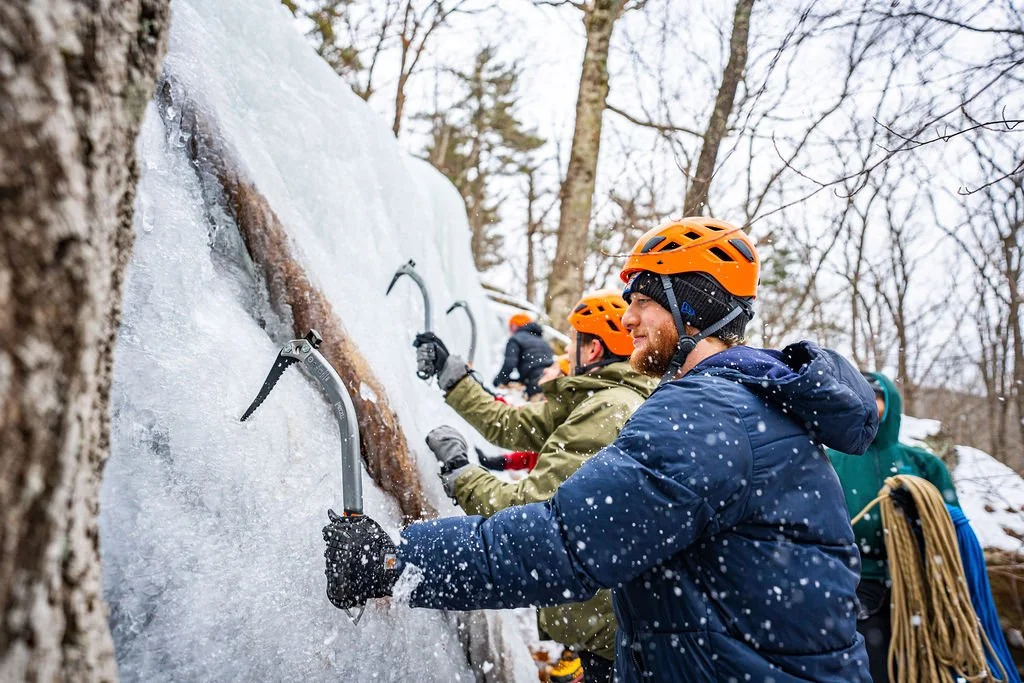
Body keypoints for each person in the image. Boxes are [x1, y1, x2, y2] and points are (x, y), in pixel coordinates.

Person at [324, 217, 878, 682]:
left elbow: (563, 542)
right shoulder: (751, 406)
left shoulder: (707, 414)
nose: (627, 318)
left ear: (692, 311)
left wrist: (397, 560)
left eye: (642, 302)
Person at [413, 290, 657, 681]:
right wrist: (454, 377)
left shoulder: (610, 408)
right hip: (596, 620)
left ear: (592, 350)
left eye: (575, 340)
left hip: (602, 634)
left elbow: (535, 511)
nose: (565, 352)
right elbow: (511, 425)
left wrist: (462, 474)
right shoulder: (595, 398)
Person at [828, 372, 960, 683]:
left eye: (878, 396)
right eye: (862, 395)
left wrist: (918, 512)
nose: (871, 404)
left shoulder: (923, 464)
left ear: (891, 403)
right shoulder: (831, 460)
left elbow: (951, 527)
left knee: (919, 668)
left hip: (915, 586)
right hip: (856, 586)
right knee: (869, 670)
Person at [492, 312, 554, 399]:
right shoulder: (542, 341)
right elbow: (539, 365)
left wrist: (498, 381)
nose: (510, 330)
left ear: (515, 325)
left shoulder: (516, 339)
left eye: (511, 326)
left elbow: (509, 364)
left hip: (536, 385)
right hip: (551, 382)